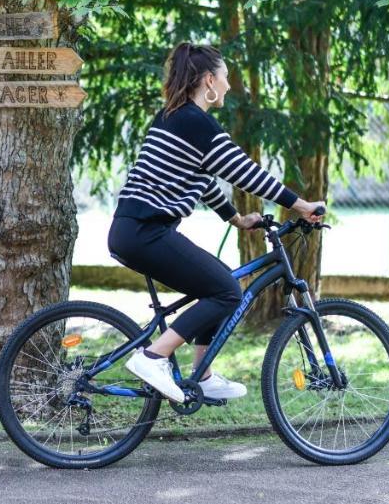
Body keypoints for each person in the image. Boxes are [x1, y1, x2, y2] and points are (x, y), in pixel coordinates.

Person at [107, 42, 324, 404]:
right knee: (228, 291)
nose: (227, 85)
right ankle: (152, 357)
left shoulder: (173, 116)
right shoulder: (196, 122)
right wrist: (300, 205)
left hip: (136, 230)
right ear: (209, 79)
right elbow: (245, 173)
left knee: (220, 281)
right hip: (145, 231)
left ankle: (202, 376)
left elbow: (204, 179)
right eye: (225, 78)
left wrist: (236, 218)